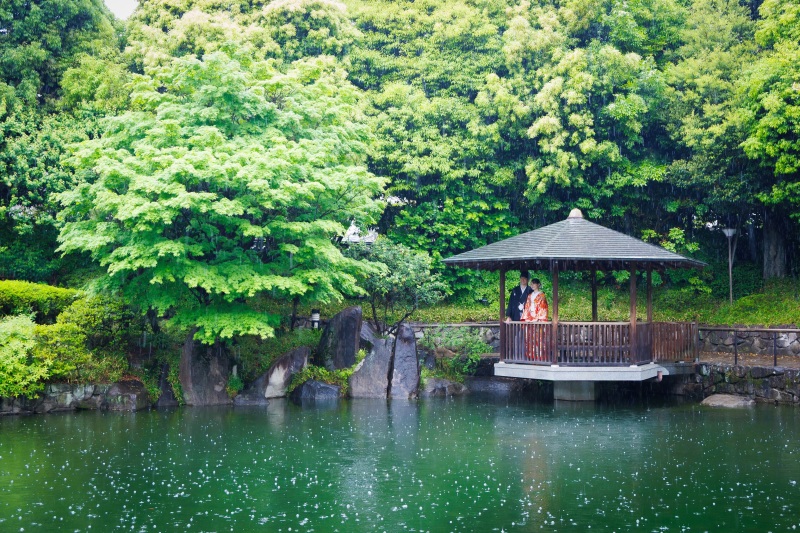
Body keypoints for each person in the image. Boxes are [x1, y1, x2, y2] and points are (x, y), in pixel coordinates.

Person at [505, 270, 532, 359]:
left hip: (526, 317)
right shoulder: (515, 290)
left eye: (525, 279)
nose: (523, 280)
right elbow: (511, 303)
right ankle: (516, 356)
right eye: (522, 278)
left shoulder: (530, 290)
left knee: (526, 338)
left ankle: (525, 357)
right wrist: (509, 316)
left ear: (528, 280)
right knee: (516, 338)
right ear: (520, 279)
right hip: (516, 315)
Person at [521, 278, 549, 360]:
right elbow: (527, 307)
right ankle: (531, 355)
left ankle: (540, 356)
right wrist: (526, 317)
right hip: (530, 318)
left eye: (533, 283)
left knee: (539, 338)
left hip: (538, 320)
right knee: (529, 338)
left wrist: (537, 318)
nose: (532, 285)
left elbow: (543, 308)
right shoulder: (530, 295)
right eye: (531, 284)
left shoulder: (542, 295)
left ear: (538, 285)